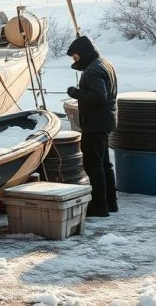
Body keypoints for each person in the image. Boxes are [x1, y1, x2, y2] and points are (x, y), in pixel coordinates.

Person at [66, 35, 118, 218]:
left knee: (93, 165)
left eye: (75, 57)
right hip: (104, 121)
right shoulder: (103, 63)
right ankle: (111, 203)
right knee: (104, 164)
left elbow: (99, 96)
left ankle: (99, 206)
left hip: (95, 124)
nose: (75, 60)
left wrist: (75, 92)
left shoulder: (94, 70)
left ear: (82, 53)